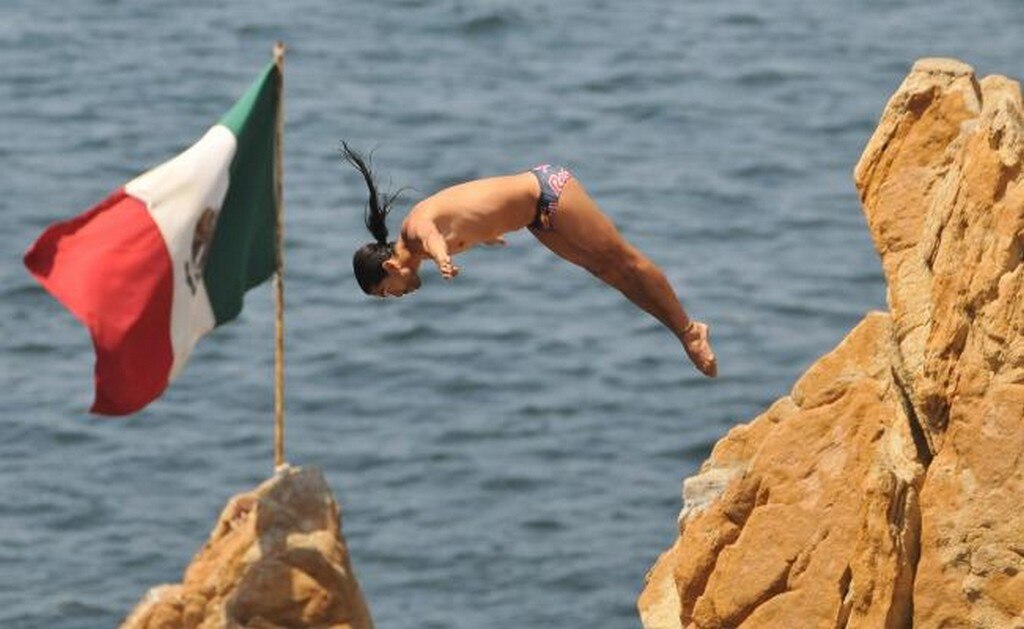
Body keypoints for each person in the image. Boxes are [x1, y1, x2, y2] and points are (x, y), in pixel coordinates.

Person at [343, 143, 717, 377]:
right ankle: (683, 332)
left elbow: (433, 236)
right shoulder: (419, 245)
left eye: (386, 292)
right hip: (536, 219)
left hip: (548, 191)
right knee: (606, 271)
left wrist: (443, 259)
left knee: (624, 260)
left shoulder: (414, 230)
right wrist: (485, 236)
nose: (395, 296)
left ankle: (689, 332)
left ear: (391, 268)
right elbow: (468, 210)